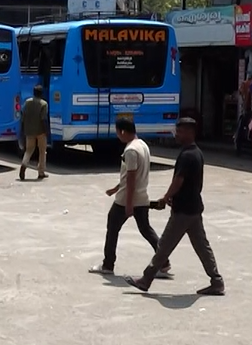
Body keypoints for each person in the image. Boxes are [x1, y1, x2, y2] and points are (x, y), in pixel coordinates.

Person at [125, 118, 225, 296]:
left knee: (164, 245)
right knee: (202, 246)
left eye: (180, 131)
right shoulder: (197, 153)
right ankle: (216, 281)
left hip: (183, 211)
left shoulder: (187, 155)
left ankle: (146, 279)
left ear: (189, 132)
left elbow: (179, 181)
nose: (176, 134)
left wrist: (166, 197)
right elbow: (194, 184)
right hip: (194, 208)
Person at [89, 118, 166, 278]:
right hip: (141, 195)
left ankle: (108, 264)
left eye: (117, 132)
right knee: (146, 229)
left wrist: (129, 204)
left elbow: (131, 178)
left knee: (112, 227)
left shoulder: (130, 150)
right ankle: (164, 262)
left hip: (126, 199)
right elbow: (131, 175)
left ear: (123, 131)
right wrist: (115, 188)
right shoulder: (142, 145)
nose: (118, 136)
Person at [19, 85, 49, 181]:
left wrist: (23, 129)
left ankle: (24, 164)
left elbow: (23, 116)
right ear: (41, 94)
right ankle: (41, 172)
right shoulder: (43, 104)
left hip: (29, 130)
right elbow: (43, 119)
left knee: (29, 150)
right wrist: (46, 131)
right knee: (42, 151)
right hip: (40, 131)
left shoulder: (27, 102)